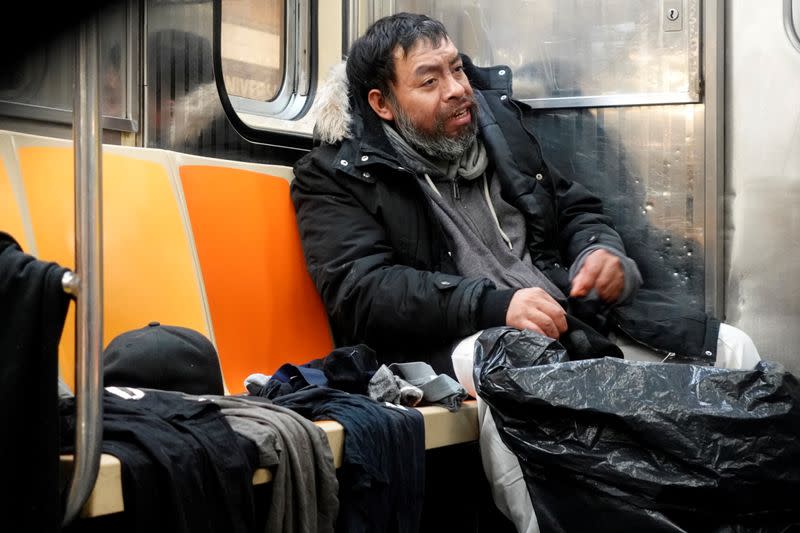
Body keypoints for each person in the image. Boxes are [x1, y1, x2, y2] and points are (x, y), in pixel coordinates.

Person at [290, 13, 764, 531]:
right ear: (382, 103)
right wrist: (491, 305)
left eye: (457, 69)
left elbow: (578, 209)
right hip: (450, 341)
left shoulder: (499, 135)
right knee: (505, 365)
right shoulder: (337, 177)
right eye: (430, 80)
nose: (456, 90)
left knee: (729, 348)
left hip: (566, 318)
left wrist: (595, 253)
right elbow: (361, 290)